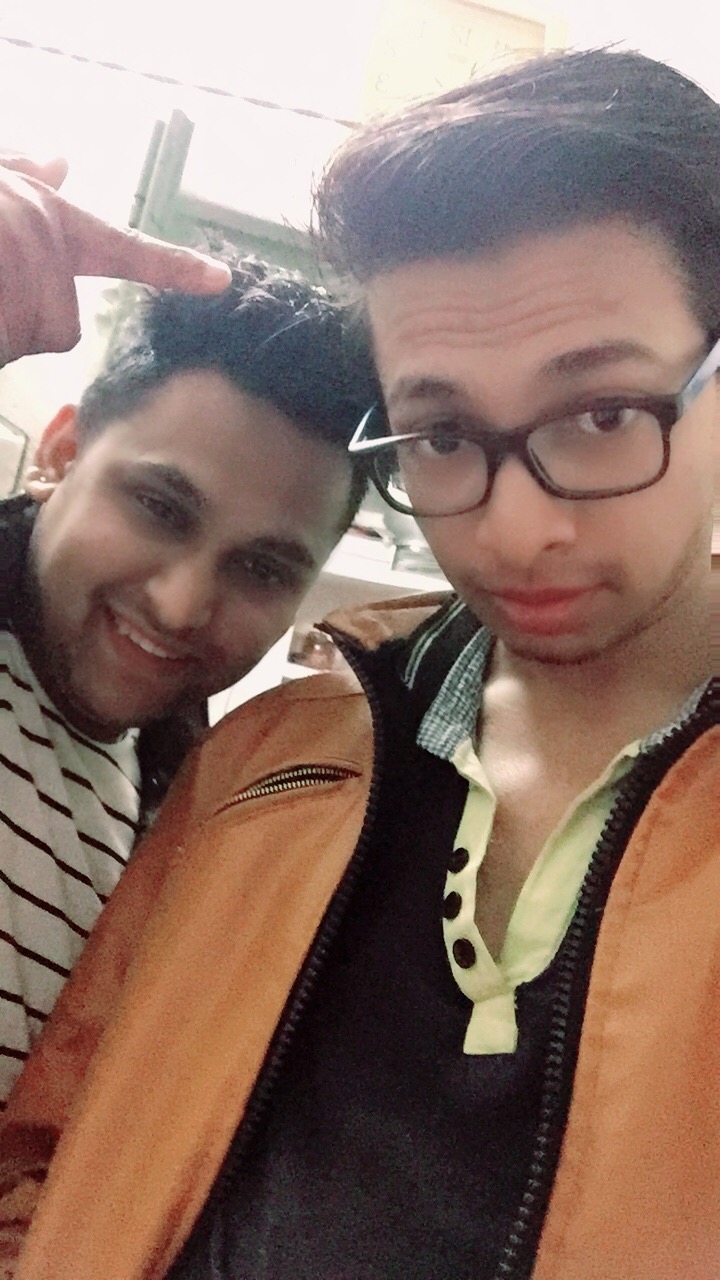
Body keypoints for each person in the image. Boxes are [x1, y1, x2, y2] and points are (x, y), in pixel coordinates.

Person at [0, 45, 718, 1280]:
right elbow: (46, 1171)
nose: (514, 529)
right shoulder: (261, 765)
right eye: (441, 433)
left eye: (602, 414)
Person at [0, 164, 375, 1101]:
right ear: (61, 454)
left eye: (263, 568)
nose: (179, 605)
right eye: (160, 507)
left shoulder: (189, 807)